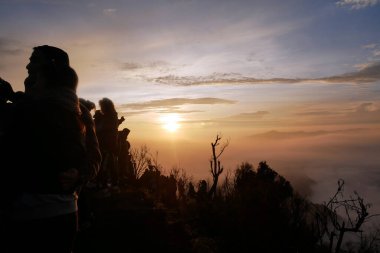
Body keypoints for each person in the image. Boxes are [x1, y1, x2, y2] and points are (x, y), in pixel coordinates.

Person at [1, 45, 100, 253]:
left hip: (46, 215)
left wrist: (79, 174)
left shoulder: (79, 112)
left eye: (35, 60)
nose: (28, 65)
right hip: (45, 213)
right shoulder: (23, 104)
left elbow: (93, 158)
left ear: (51, 70)